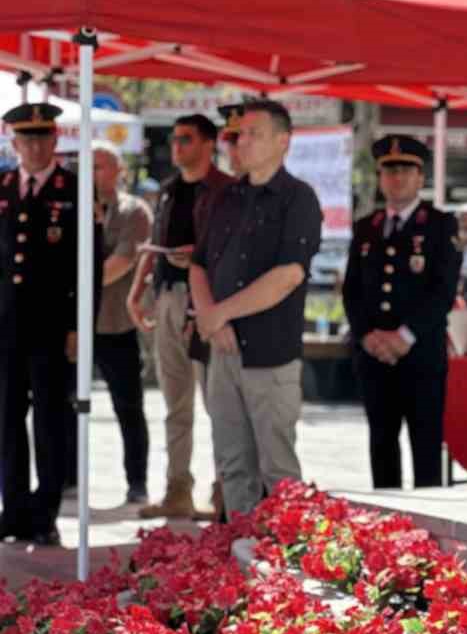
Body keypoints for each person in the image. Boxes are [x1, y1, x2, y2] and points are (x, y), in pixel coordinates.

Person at [189, 99, 322, 517]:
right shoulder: (223, 197)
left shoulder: (298, 198)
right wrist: (211, 319)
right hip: (222, 349)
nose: (241, 142)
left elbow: (288, 275)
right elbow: (198, 265)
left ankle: (285, 553)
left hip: (270, 352)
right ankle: (239, 547)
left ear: (283, 142)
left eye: (253, 134)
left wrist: (221, 313)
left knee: (277, 469)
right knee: (232, 465)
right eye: (239, 134)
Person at [0, 104, 102, 547]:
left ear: (56, 141)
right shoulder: (4, 187)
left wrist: (80, 325)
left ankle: (45, 513)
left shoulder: (75, 190)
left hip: (52, 327)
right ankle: (13, 510)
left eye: (42, 138)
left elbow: (89, 267)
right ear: (14, 143)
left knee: (50, 421)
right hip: (6, 326)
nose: (35, 147)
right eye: (26, 139)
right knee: (6, 420)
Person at [128, 114, 233, 520]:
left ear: (209, 144)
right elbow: (154, 243)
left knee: (217, 402)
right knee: (175, 403)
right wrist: (137, 292)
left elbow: (233, 250)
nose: (176, 146)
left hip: (207, 300)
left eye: (186, 139)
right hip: (168, 295)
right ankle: (177, 488)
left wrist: (199, 258)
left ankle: (225, 491)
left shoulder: (226, 190)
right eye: (174, 139)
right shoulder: (170, 189)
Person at [342, 136, 461, 489]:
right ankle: (386, 520)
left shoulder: (440, 225)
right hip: (374, 356)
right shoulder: (367, 227)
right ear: (380, 177)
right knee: (381, 445)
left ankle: (430, 520)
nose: (397, 178)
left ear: (420, 177)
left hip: (420, 355)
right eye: (389, 171)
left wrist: (404, 336)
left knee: (426, 449)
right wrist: (367, 336)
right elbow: (351, 290)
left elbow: (443, 291)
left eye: (406, 170)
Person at [90, 141, 153, 506]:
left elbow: (122, 263)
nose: (92, 173)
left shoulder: (134, 211)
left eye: (100, 166)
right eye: (88, 166)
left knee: (128, 406)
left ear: (118, 171)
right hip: (75, 327)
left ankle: (137, 481)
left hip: (116, 324)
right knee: (62, 406)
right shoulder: (69, 209)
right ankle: (66, 479)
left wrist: (71, 283)